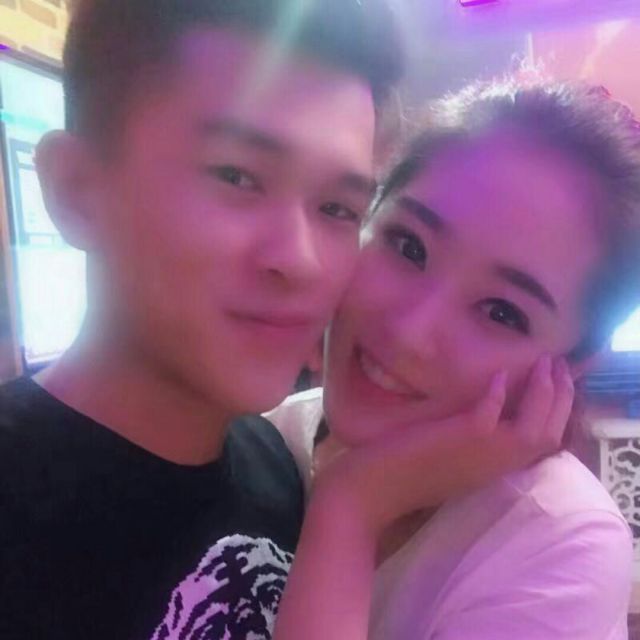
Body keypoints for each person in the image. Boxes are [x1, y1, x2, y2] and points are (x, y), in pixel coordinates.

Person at [0, 1, 402, 638]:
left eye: (337, 209)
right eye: (238, 176)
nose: (300, 260)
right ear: (78, 190)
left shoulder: (274, 467)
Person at [269, 78, 640, 639]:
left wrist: (351, 505)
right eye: (408, 246)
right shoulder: (267, 437)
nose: (410, 333)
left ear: (572, 363)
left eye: (501, 312)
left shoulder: (558, 542)